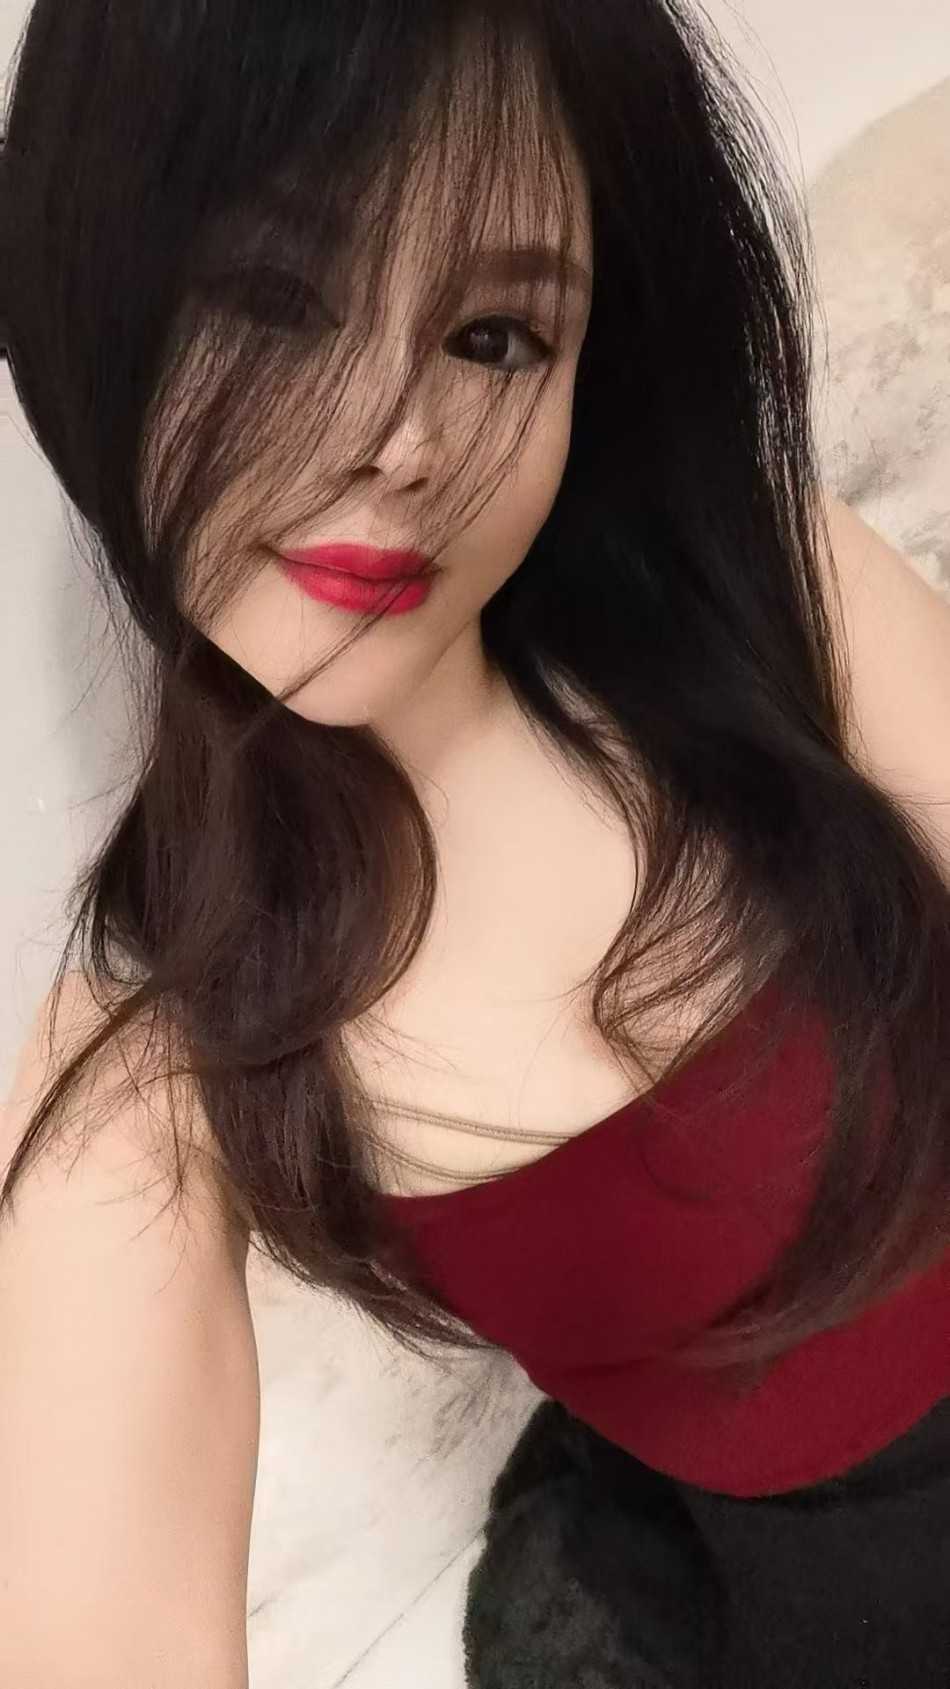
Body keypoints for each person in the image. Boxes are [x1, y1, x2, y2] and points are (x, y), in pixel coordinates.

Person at [2, 2, 950, 1685]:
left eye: (495, 336)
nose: (401, 437)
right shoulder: (148, 1063)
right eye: (274, 300)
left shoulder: (765, 592)